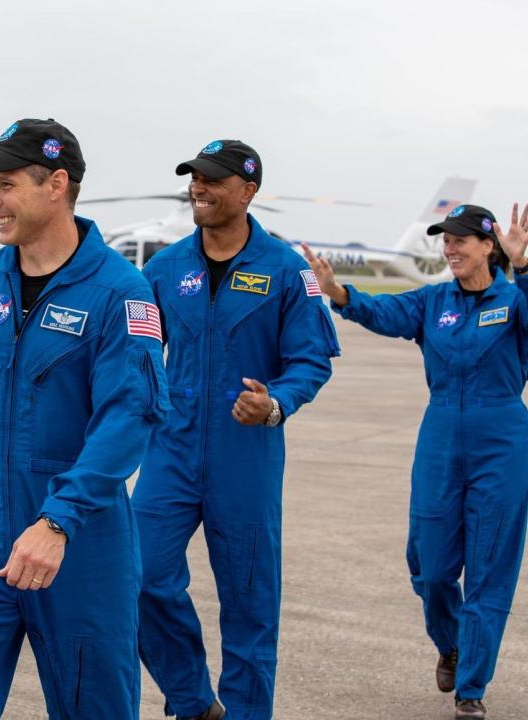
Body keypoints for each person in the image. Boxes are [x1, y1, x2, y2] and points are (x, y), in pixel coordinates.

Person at [0, 118, 169, 720]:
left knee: (95, 708)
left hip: (80, 536)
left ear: (56, 183)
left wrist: (58, 522)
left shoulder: (121, 291)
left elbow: (128, 417)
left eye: (4, 185)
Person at [302, 202, 528, 720]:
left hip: (502, 439)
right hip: (441, 437)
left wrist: (527, 265)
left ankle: (471, 688)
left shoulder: (516, 301)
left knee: (490, 566)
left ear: (488, 246)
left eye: (460, 240)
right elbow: (384, 313)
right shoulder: (434, 302)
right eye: (445, 240)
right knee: (428, 566)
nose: (449, 248)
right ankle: (450, 644)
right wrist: (337, 295)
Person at [133, 140, 341, 720]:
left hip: (246, 453)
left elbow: (311, 360)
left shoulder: (286, 270)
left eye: (214, 180)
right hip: (170, 449)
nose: (198, 187)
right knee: (141, 576)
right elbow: (134, 349)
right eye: (194, 177)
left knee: (250, 606)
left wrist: (276, 403)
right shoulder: (165, 268)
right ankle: (194, 701)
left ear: (248, 191)